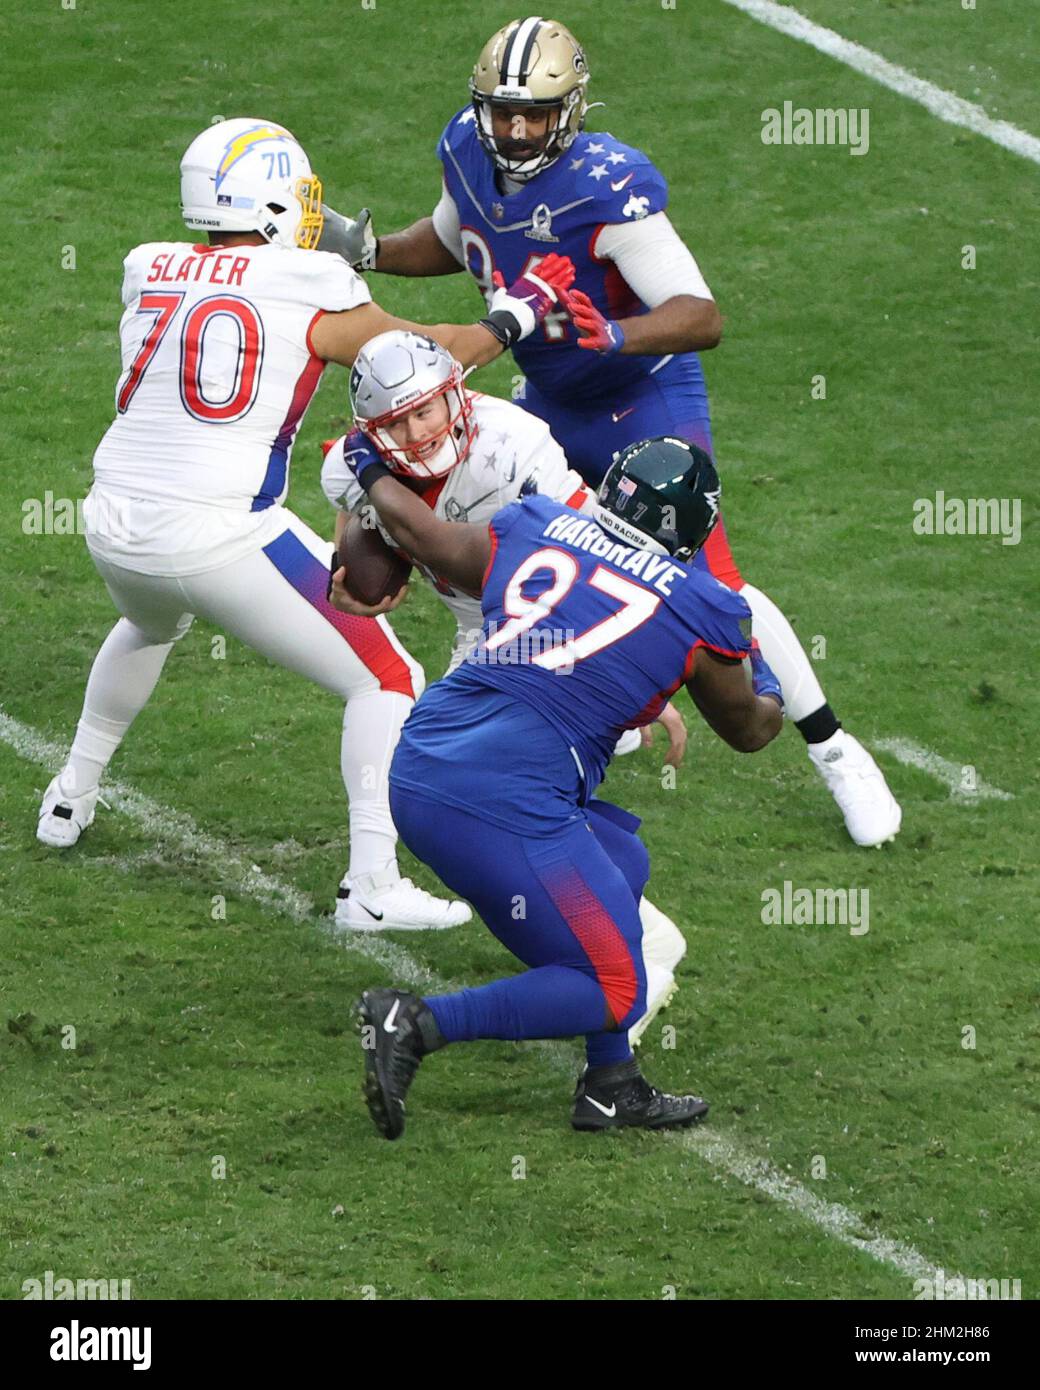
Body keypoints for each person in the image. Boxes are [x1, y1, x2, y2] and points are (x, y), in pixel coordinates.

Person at [319, 17, 901, 849]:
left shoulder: (606, 186)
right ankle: (603, 704)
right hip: (552, 395)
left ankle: (835, 748)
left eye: (536, 114)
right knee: (559, 562)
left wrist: (617, 336)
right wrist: (368, 246)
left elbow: (701, 317)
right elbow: (460, 238)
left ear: (572, 107)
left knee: (714, 586)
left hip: (642, 397)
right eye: (503, 112)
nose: (517, 131)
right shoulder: (468, 148)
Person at [37, 116, 574, 932]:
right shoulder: (309, 282)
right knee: (387, 680)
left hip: (112, 519)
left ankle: (68, 795)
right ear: (277, 199)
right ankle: (370, 889)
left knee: (148, 625)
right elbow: (427, 361)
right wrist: (517, 316)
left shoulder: (146, 267)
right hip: (217, 531)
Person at [337, 435, 784, 1137]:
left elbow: (423, 536)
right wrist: (764, 668)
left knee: (622, 865)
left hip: (425, 761)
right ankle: (416, 1022)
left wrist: (368, 467)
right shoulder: (704, 606)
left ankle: (611, 1085)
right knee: (616, 987)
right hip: (504, 803)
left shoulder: (537, 521)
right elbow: (752, 730)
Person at [324, 330, 689, 1037]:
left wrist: (646, 677)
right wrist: (354, 577)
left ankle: (611, 963)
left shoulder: (513, 444)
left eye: (426, 412)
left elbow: (601, 560)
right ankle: (609, 958)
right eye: (395, 423)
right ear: (370, 429)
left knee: (506, 799)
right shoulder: (349, 467)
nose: (415, 432)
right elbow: (356, 541)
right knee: (499, 802)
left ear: (455, 397)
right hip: (483, 638)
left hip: (554, 635)